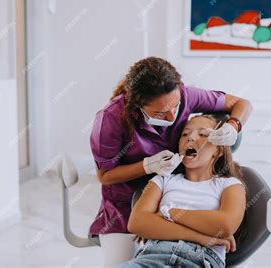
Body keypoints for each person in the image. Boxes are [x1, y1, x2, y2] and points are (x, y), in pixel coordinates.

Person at [89, 57, 252, 266]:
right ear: (137, 104)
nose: (171, 118)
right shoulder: (110, 119)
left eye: (175, 107)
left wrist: (234, 124)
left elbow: (241, 103)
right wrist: (147, 166)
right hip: (124, 205)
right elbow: (106, 177)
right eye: (159, 113)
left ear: (219, 150)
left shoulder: (228, 185)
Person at [119, 114, 246, 268]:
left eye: (203, 134)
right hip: (152, 256)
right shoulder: (163, 180)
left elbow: (225, 225)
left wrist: (169, 213)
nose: (190, 138)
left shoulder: (230, 185)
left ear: (217, 150)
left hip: (202, 260)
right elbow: (136, 223)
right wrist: (202, 237)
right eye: (185, 134)